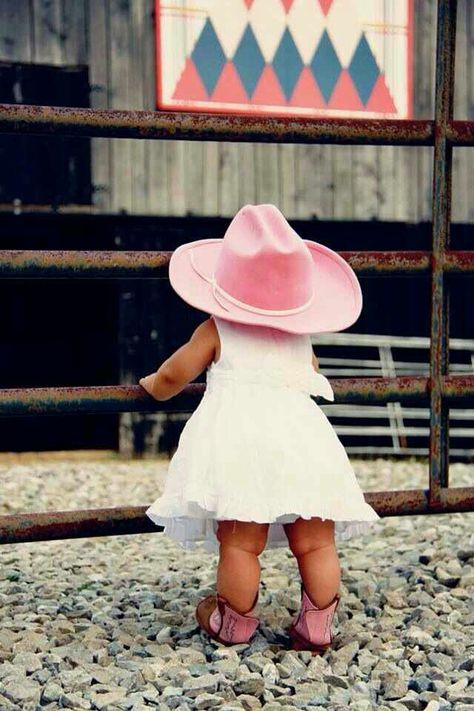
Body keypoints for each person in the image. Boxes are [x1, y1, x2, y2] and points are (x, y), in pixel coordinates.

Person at [139, 204, 379, 653]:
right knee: (314, 541)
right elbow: (309, 371)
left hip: (242, 443)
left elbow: (175, 375)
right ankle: (318, 624)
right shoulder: (298, 338)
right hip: (304, 442)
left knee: (242, 542)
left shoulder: (216, 328)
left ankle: (234, 622)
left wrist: (153, 385)